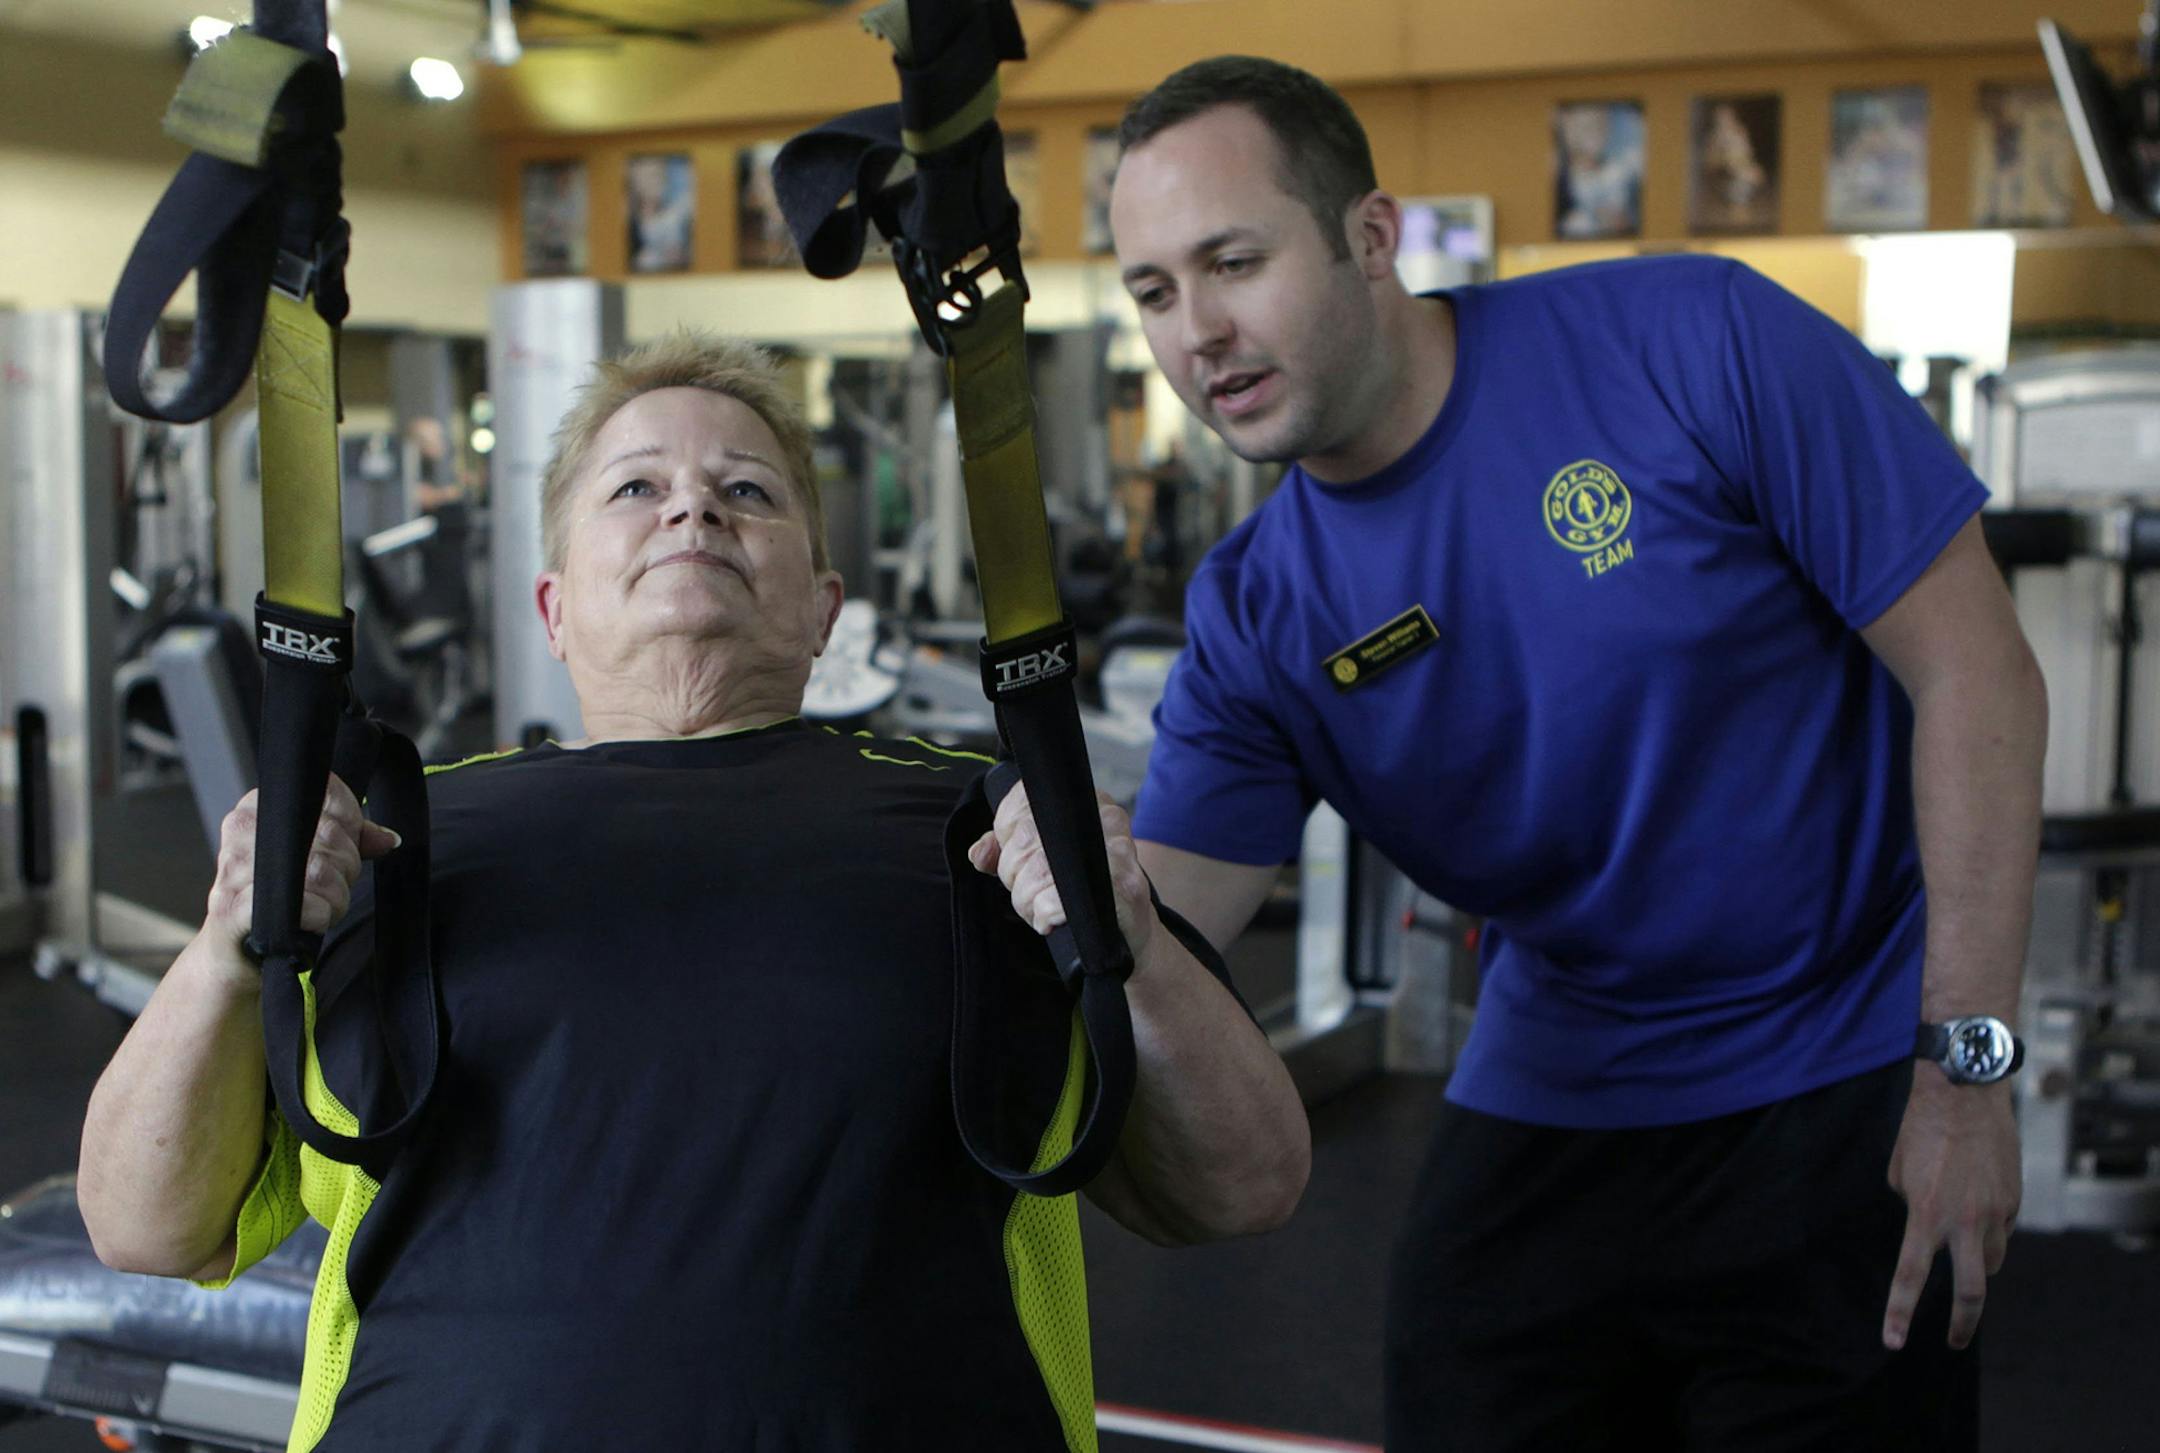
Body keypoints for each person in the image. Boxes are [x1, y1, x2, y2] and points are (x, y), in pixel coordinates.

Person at [75, 333, 1310, 1453]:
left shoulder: (986, 824)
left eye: (746, 492)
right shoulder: (385, 835)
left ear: (824, 610)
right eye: (637, 488)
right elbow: (147, 1226)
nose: (693, 514)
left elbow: (1245, 1182)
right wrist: (224, 950)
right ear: (554, 607)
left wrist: (1127, 934)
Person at [1107, 55, 2046, 1451]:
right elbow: (1158, 925)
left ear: (1372, 236)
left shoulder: (1688, 345)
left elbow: (1979, 668)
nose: (1200, 334)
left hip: (1837, 1056)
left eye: (1233, 262)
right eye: (1156, 293)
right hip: (1557, 1079)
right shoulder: (1258, 611)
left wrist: (1966, 1071)